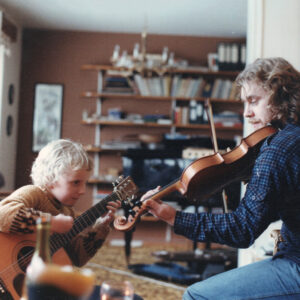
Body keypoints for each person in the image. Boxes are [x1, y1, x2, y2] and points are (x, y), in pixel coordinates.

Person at [142, 57, 300, 299]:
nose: (247, 113)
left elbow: (242, 229)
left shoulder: (278, 149)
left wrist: (173, 216)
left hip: (296, 264)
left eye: (254, 101)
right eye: (244, 103)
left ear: (280, 95)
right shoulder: (292, 139)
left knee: (196, 295)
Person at [0, 139, 120, 267]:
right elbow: (3, 215)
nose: (83, 191)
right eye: (75, 182)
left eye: (84, 183)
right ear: (50, 178)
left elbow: (78, 258)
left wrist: (100, 228)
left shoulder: (67, 212)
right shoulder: (33, 194)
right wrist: (51, 223)